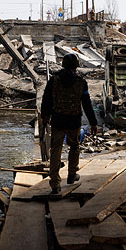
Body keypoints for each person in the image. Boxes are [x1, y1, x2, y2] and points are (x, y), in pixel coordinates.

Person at [41, 53, 98, 194]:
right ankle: (72, 174)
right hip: (74, 121)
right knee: (74, 147)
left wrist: (44, 116)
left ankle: (55, 183)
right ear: (76, 66)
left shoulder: (53, 81)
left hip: (58, 120)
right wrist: (93, 123)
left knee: (56, 150)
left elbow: (46, 100)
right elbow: (87, 104)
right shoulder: (81, 82)